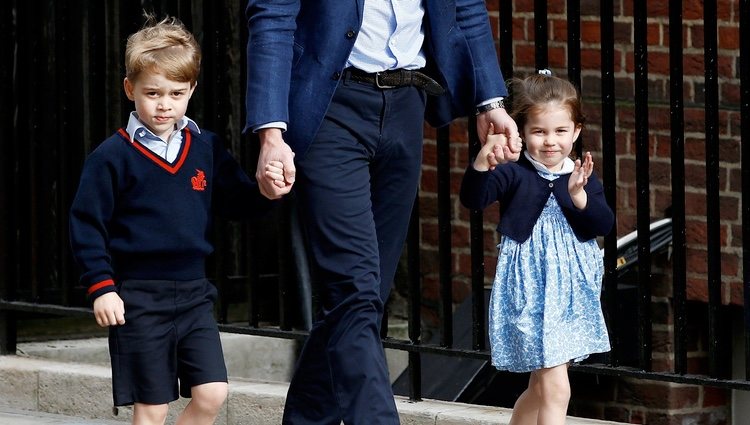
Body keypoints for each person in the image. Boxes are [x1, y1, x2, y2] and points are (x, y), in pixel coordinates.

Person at [244, 1, 522, 423]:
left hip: (406, 105)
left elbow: (465, 7)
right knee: (353, 290)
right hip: (328, 107)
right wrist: (270, 133)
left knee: (361, 298)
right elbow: (272, 18)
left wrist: (490, 102)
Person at [69, 15, 278, 425]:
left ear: (191, 91)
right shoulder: (110, 158)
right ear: (130, 89)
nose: (164, 104)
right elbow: (86, 226)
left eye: (176, 93)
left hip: (195, 294)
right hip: (138, 298)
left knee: (213, 393)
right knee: (153, 407)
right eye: (152, 92)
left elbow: (238, 202)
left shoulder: (206, 148)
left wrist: (267, 191)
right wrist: (101, 288)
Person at [460, 71, 614, 425]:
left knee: (542, 385)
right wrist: (483, 161)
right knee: (556, 388)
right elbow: (474, 198)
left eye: (560, 131)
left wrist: (578, 196)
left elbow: (603, 225)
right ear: (522, 131)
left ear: (576, 131)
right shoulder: (513, 171)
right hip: (529, 288)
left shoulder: (579, 176)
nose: (550, 142)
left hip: (570, 293)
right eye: (539, 131)